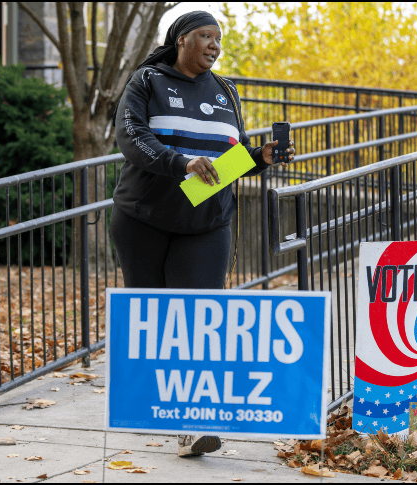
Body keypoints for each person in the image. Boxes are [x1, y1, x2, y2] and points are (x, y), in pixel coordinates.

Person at [110, 11, 295, 457]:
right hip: (144, 219)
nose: (215, 44)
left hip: (208, 223)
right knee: (157, 322)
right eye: (204, 36)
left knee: (198, 321)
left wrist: (259, 156)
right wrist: (181, 162)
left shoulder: (225, 89)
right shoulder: (148, 81)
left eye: (218, 38)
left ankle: (193, 425)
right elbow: (131, 137)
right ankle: (164, 404)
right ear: (180, 41)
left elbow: (222, 164)